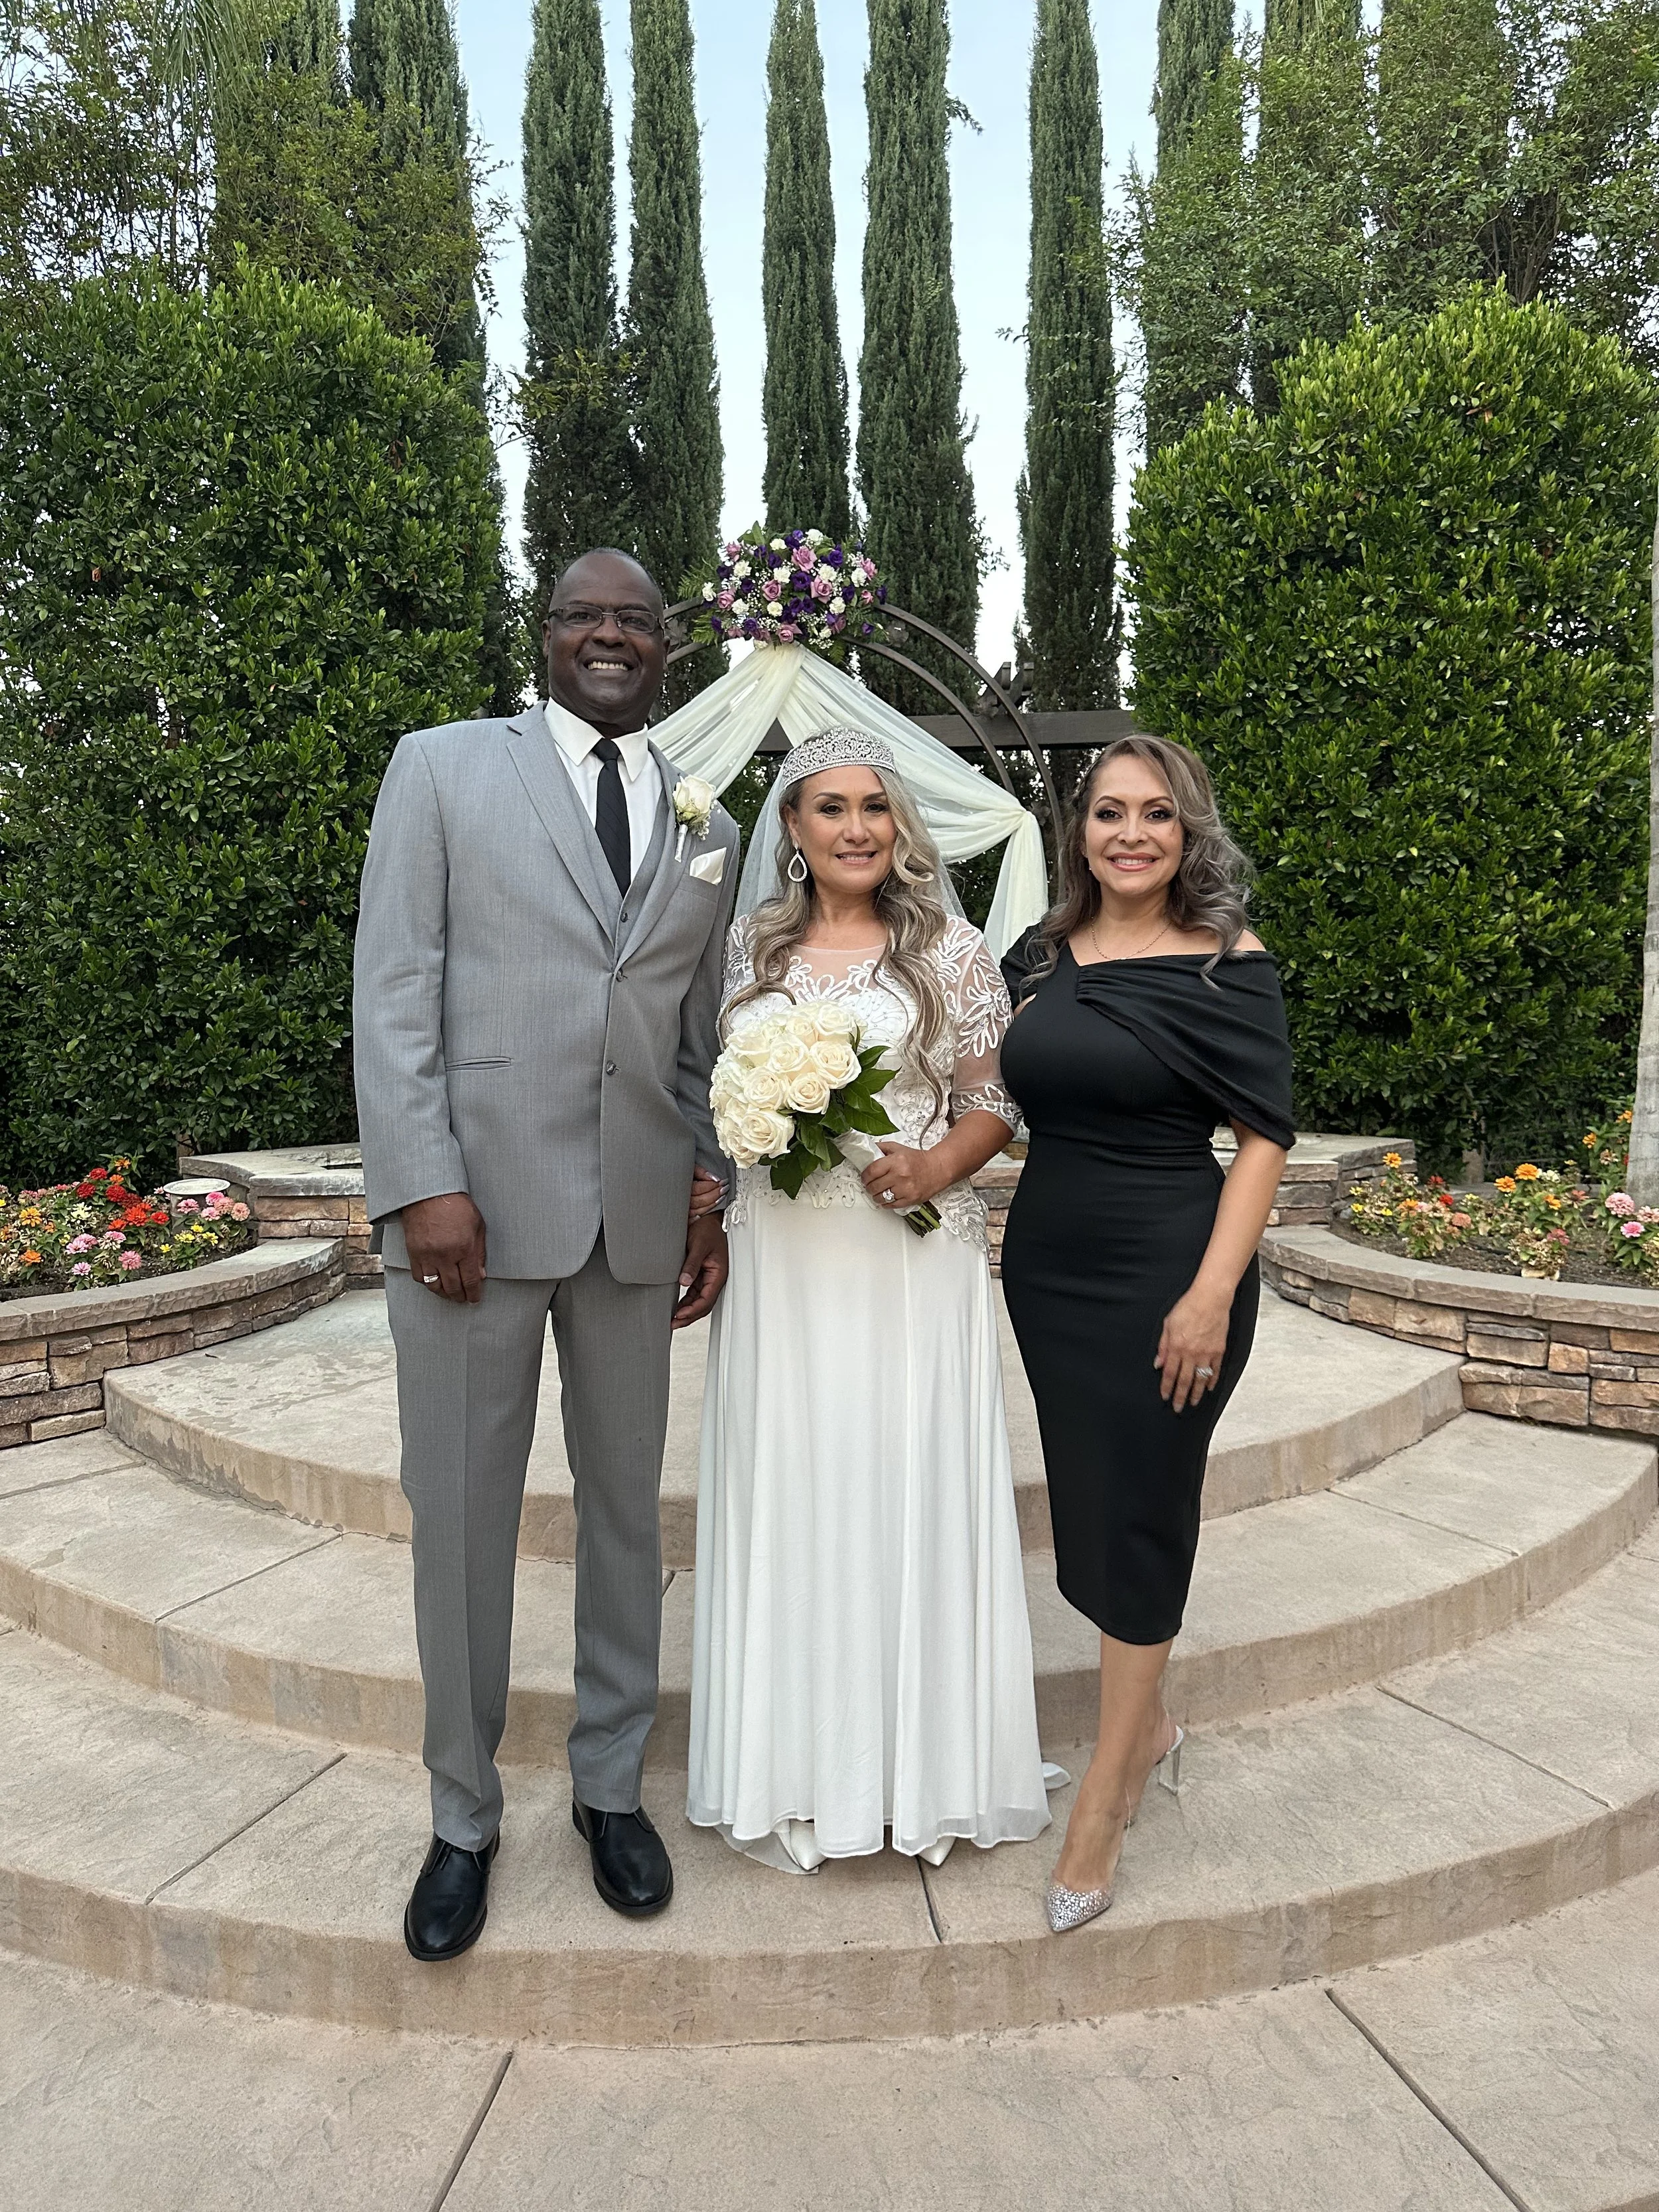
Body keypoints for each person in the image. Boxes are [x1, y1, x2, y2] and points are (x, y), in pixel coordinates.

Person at [353, 548, 740, 1960]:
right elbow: (393, 989)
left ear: (663, 648)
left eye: (634, 619)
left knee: (627, 1515)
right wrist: (422, 1184)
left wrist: (708, 1189)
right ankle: (462, 1814)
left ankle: (605, 1784)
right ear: (544, 632)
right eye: (584, 613)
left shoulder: (713, 813)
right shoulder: (444, 768)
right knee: (459, 1525)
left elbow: (698, 1038)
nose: (609, 634)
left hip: (636, 1223)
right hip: (471, 1223)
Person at [685, 727, 1056, 1874]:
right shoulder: (745, 948)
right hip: (784, 1262)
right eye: (829, 809)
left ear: (899, 827)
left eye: (873, 810)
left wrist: (941, 1166)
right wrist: (711, 1183)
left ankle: (922, 1769)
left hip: (910, 1257)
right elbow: (704, 1090)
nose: (854, 829)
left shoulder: (946, 950)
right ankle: (796, 1767)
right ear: (791, 829)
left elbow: (1002, 1101)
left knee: (903, 1483)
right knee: (793, 1484)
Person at [997, 736, 1293, 1935]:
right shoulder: (1036, 957)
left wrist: (1211, 1293)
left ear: (1188, 832)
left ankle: (1110, 1800)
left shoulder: (1230, 966)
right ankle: (1151, 1722)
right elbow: (1000, 1098)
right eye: (1109, 812)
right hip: (1051, 1271)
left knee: (1140, 1517)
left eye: (1155, 815)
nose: (1131, 834)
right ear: (1080, 831)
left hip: (1173, 1272)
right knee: (1091, 1505)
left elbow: (1263, 1137)